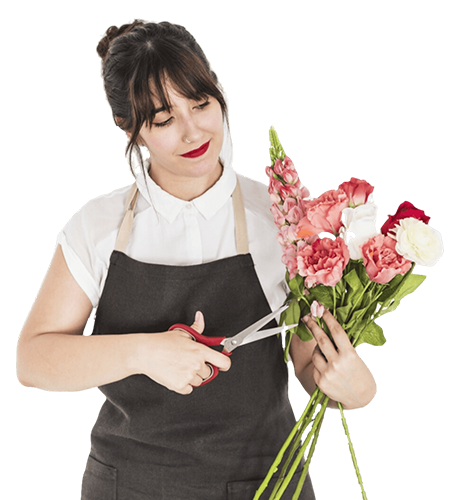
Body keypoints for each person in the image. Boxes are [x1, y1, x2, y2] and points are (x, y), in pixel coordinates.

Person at [16, 20, 376, 500]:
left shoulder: (282, 219)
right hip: (129, 485)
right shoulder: (98, 226)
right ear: (131, 130)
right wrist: (145, 352)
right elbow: (32, 359)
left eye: (201, 103)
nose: (193, 131)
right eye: (164, 120)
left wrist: (355, 387)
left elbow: (309, 367)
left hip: (262, 484)